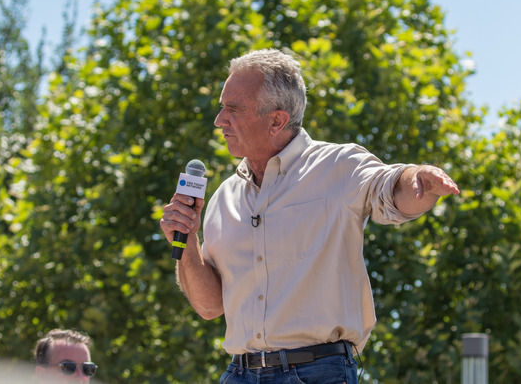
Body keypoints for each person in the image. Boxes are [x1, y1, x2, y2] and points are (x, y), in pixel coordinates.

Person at [160, 48, 459, 383]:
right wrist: (185, 242)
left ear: (276, 120)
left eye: (233, 109)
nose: (219, 120)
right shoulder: (222, 198)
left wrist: (418, 179)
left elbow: (391, 187)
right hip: (240, 373)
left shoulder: (338, 166)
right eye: (221, 107)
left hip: (317, 373)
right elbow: (210, 306)